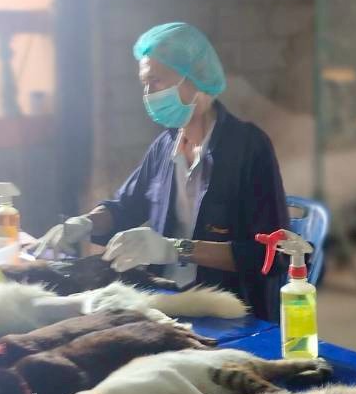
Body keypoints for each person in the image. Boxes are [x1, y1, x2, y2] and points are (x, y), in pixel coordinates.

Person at [41, 22, 289, 320]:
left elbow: (270, 255)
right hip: (164, 297)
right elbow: (124, 207)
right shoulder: (165, 146)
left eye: (156, 81)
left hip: (229, 309)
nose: (148, 93)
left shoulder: (248, 148)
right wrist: (84, 223)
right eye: (144, 84)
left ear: (195, 79)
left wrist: (176, 249)